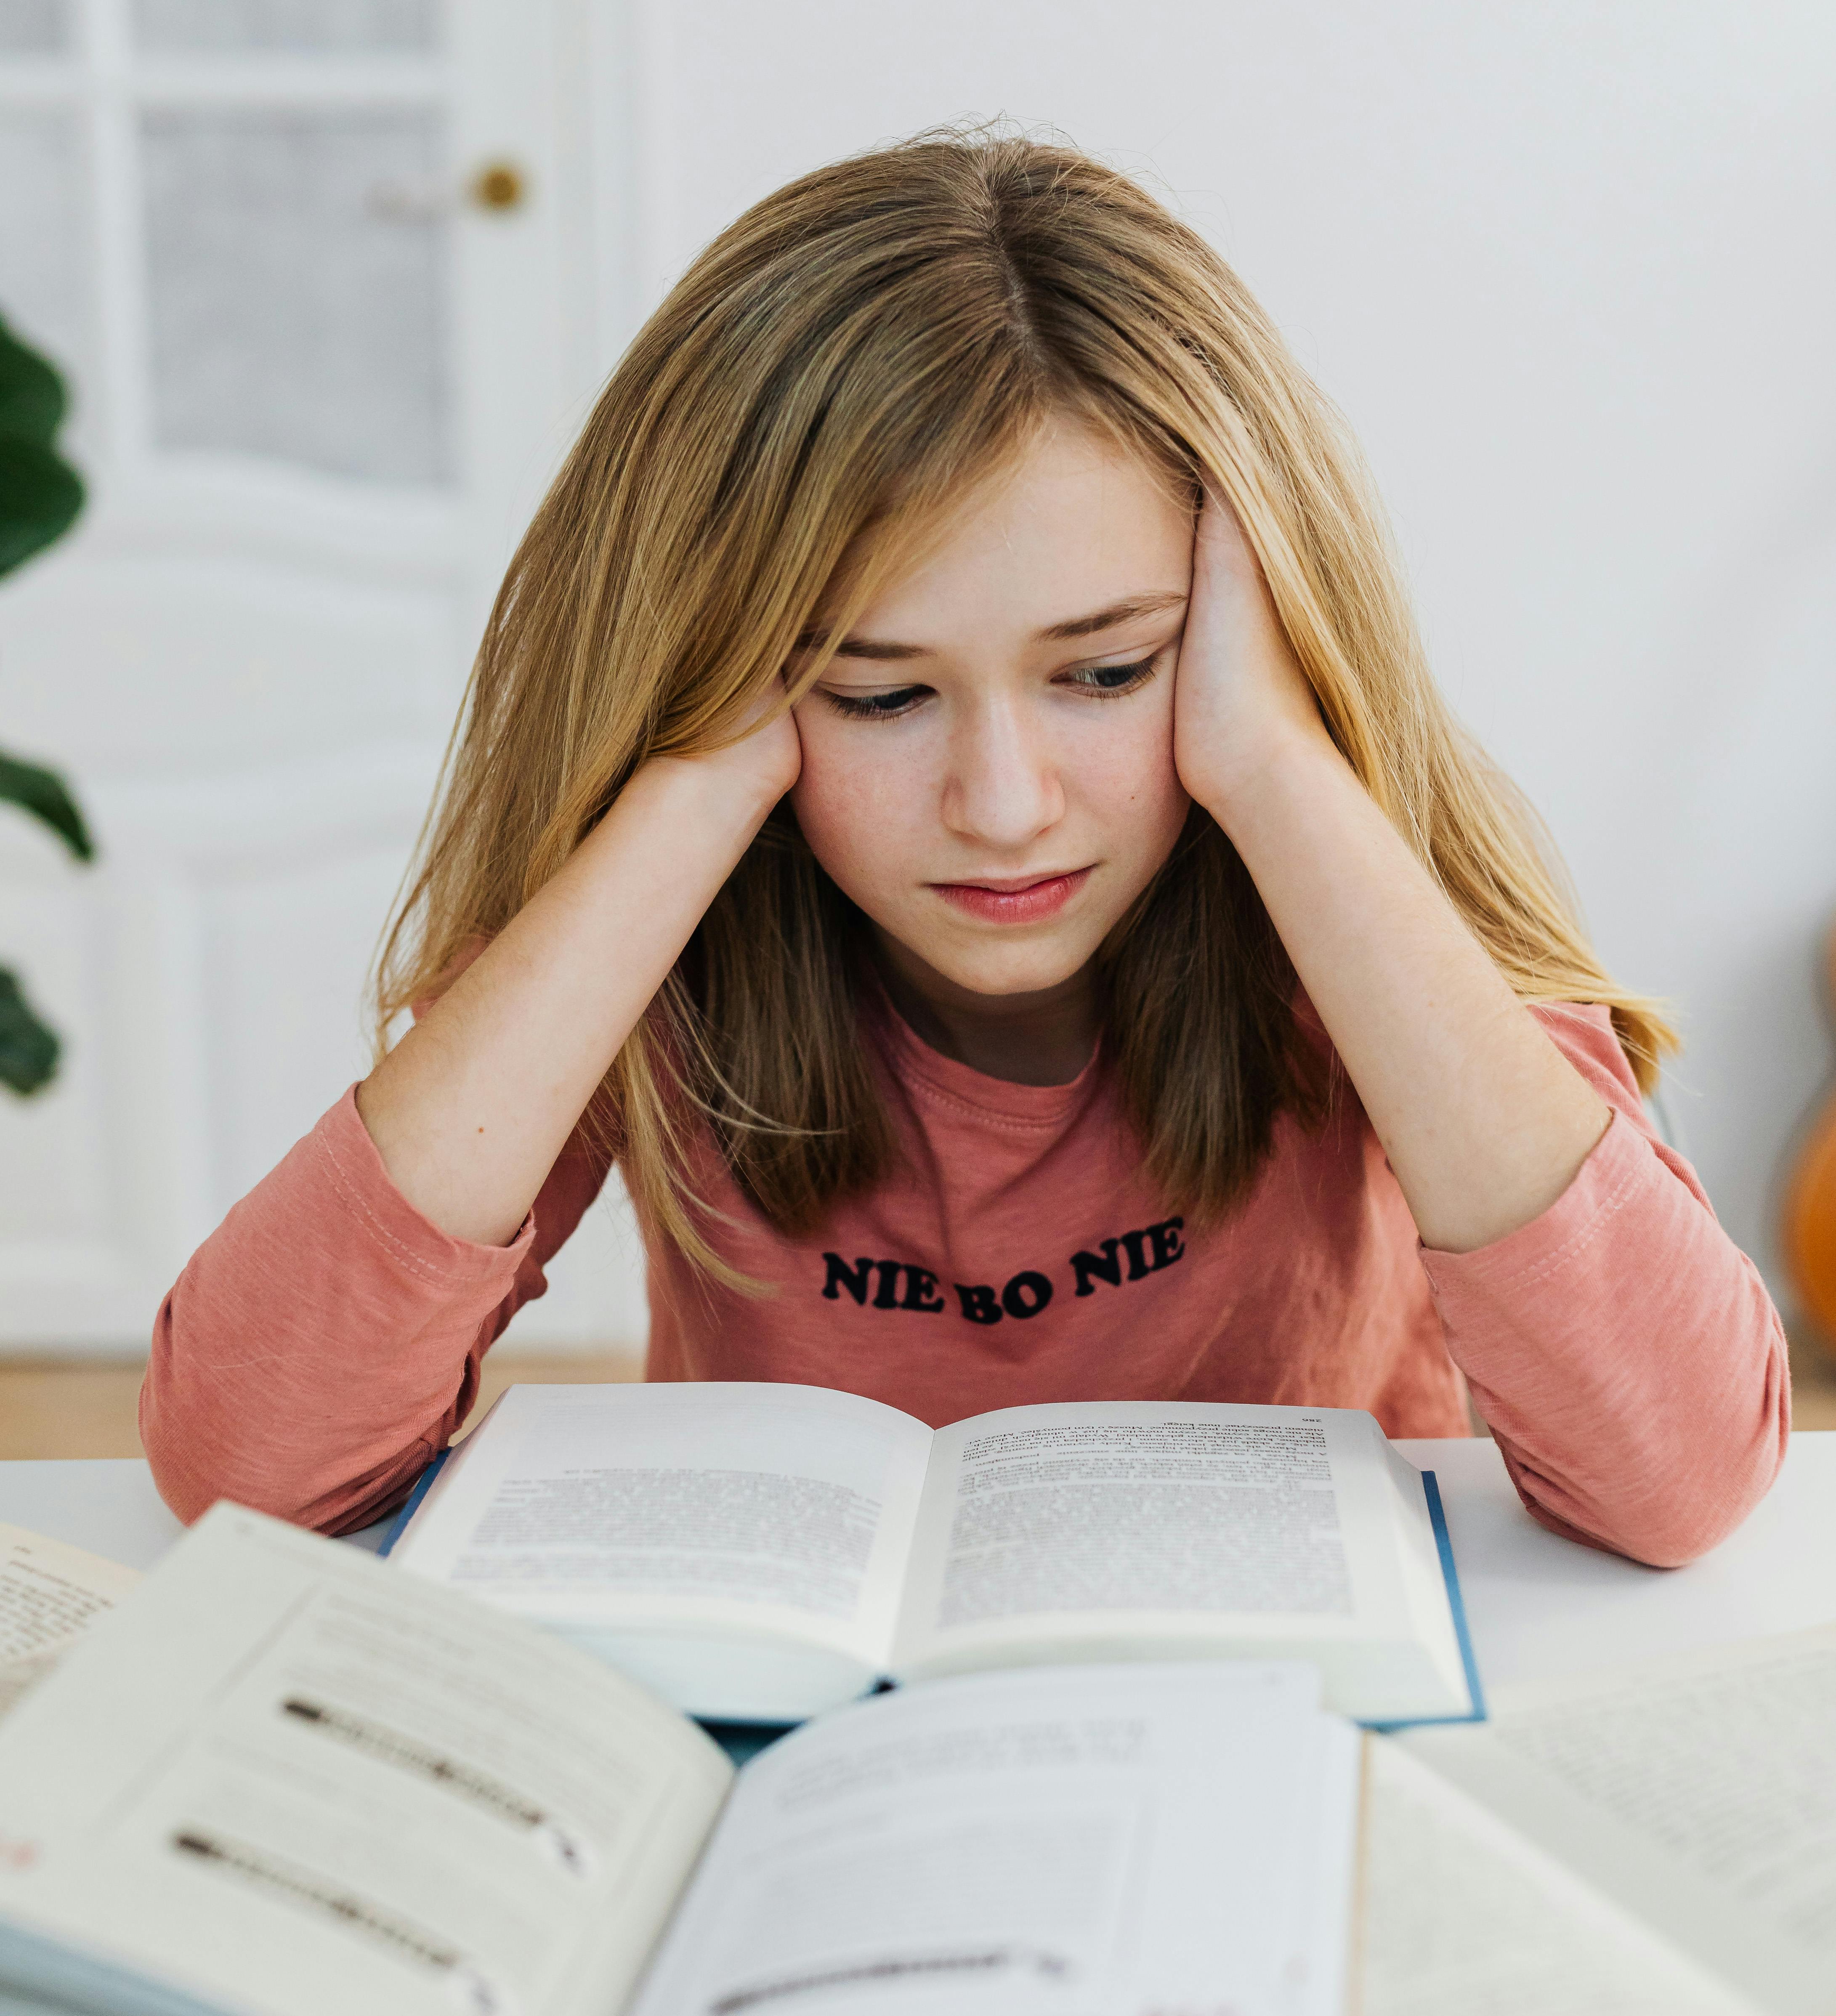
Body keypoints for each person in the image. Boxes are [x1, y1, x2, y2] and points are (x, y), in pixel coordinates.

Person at [141, 132, 1787, 1563]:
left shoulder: (1350, 896)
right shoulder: (683, 930)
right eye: (874, 692)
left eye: (1104, 670)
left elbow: (1687, 1481)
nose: (1000, 802)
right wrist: (691, 790)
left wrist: (1280, 775)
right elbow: (252, 1469)